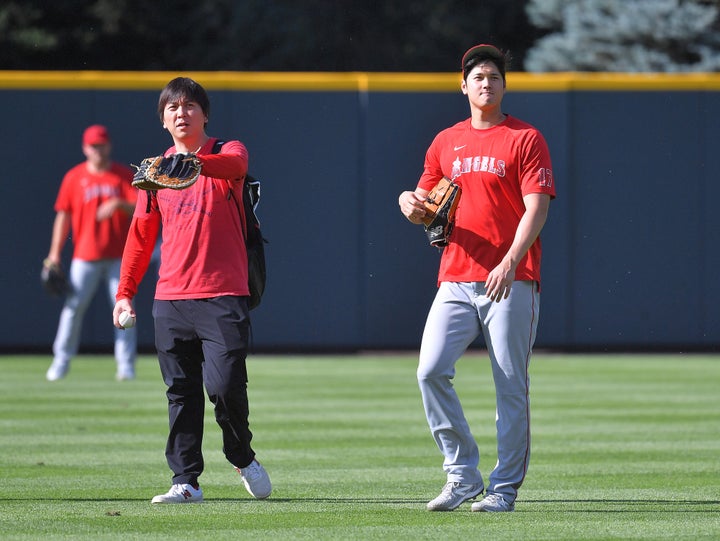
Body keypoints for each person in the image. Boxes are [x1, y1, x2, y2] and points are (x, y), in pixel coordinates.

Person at [398, 44, 556, 513]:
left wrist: (509, 261)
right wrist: (408, 202)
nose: (486, 83)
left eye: (493, 76)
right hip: (456, 277)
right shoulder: (445, 141)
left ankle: (503, 489)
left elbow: (537, 207)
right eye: (478, 76)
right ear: (463, 85)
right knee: (430, 371)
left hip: (512, 278)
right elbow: (425, 206)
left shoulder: (525, 138)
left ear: (504, 86)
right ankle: (463, 473)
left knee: (510, 384)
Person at [112, 77, 271, 504]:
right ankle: (186, 480)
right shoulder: (156, 170)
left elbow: (236, 168)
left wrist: (193, 165)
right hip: (171, 298)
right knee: (180, 393)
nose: (181, 113)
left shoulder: (226, 152)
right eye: (172, 108)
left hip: (223, 293)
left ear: (204, 114)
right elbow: (141, 235)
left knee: (225, 387)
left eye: (188, 106)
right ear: (163, 120)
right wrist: (125, 292)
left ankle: (241, 454)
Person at [45, 125, 138, 382]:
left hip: (120, 256)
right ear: (85, 148)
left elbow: (140, 208)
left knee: (124, 312)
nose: (98, 150)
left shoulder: (121, 175)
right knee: (73, 308)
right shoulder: (74, 178)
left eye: (102, 145)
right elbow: (63, 216)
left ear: (109, 146)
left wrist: (119, 203)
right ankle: (61, 361)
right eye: (93, 146)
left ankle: (126, 366)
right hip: (85, 256)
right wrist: (55, 253)